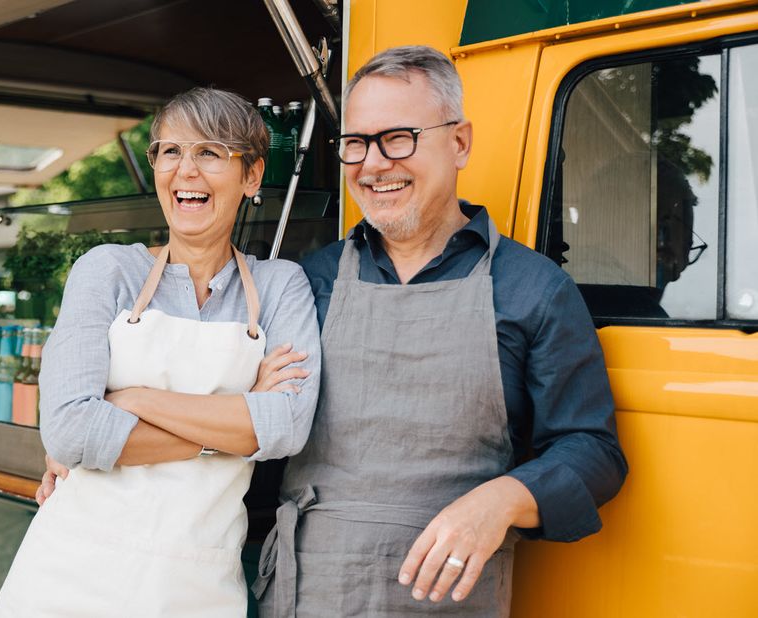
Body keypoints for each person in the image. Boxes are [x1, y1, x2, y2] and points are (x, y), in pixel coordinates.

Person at [254, 46, 628, 616]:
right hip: (314, 589)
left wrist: (502, 501)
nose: (374, 164)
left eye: (398, 137)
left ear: (459, 143)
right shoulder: (306, 281)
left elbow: (591, 449)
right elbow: (241, 420)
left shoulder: (535, 288)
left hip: (452, 600)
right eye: (357, 143)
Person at [0, 87, 322, 617]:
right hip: (71, 571)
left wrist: (131, 399)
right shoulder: (107, 270)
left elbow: (284, 427)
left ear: (252, 176)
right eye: (171, 151)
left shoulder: (280, 287)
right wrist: (234, 428)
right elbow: (70, 431)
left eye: (210, 152)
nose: (185, 171)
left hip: (198, 579)